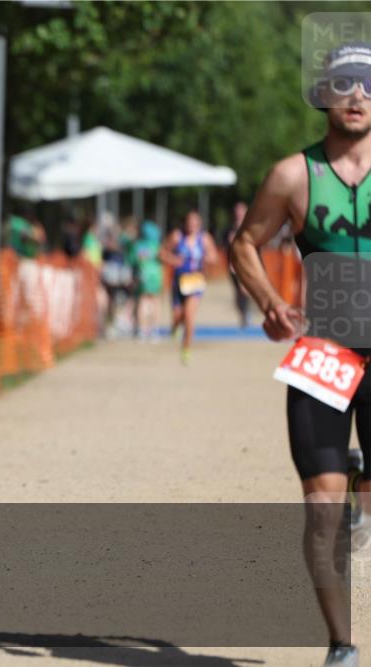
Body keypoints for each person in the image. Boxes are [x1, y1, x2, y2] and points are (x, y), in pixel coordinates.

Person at [230, 41, 371, 667]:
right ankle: (342, 644)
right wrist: (269, 302)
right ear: (323, 96)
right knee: (320, 511)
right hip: (326, 353)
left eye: (368, 84)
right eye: (344, 83)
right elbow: (245, 244)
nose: (358, 95)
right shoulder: (294, 175)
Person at [160, 209, 218, 364]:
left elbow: (214, 257)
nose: (192, 224)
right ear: (185, 223)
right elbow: (162, 253)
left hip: (196, 281)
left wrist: (207, 258)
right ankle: (175, 327)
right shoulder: (177, 236)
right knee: (177, 315)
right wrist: (173, 260)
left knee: (189, 316)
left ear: (199, 223)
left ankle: (186, 349)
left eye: (195, 222)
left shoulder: (204, 238)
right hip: (179, 281)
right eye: (189, 221)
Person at [132, 220, 164, 341]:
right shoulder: (156, 245)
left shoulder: (138, 245)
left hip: (143, 275)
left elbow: (135, 260)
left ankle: (142, 330)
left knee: (142, 301)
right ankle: (154, 330)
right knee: (155, 302)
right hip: (155, 276)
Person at [226, 202, 252, 328]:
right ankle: (242, 311)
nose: (239, 214)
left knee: (245, 290)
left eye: (241, 211)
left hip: (246, 264)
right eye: (237, 211)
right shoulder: (230, 229)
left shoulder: (250, 227)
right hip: (233, 265)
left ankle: (246, 313)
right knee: (238, 292)